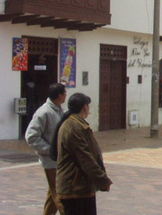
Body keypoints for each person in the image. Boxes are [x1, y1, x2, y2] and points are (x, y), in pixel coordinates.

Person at [51, 93, 112, 215]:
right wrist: (102, 180)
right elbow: (85, 159)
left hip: (82, 188)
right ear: (84, 107)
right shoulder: (73, 127)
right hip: (74, 189)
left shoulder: (78, 124)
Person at [25, 83, 67, 215]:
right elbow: (31, 136)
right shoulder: (44, 112)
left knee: (52, 193)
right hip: (50, 161)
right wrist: (49, 150)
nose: (66, 95)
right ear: (60, 95)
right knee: (59, 193)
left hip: (60, 159)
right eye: (65, 93)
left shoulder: (59, 110)